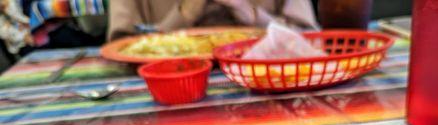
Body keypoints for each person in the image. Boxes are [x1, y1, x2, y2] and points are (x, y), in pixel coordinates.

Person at [108, 0, 318, 41]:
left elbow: (311, 38)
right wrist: (185, 12)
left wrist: (249, 13)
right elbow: (121, 45)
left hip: (269, 83)